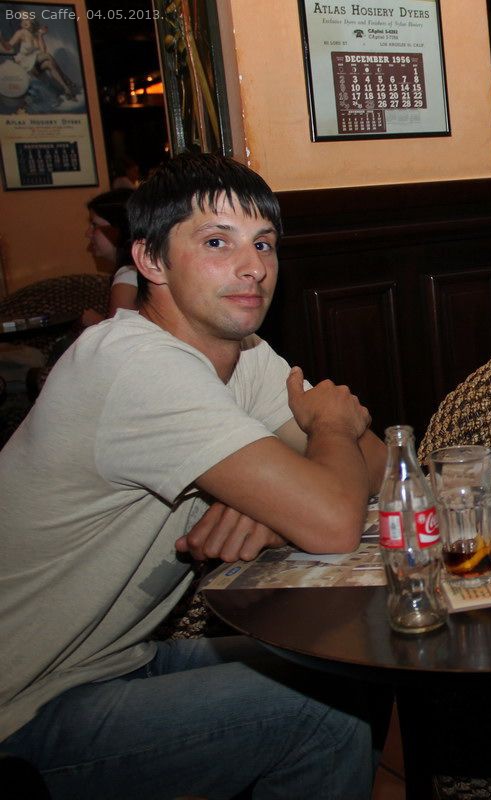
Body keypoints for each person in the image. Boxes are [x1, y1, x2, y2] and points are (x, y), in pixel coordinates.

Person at [0, 153, 388, 798]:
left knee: (356, 665)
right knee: (322, 713)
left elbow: (375, 467)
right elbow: (334, 514)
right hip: (22, 709)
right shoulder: (134, 365)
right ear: (150, 260)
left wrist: (275, 505)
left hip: (110, 664)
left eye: (263, 243)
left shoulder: (243, 353)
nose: (253, 267)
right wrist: (326, 433)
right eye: (216, 242)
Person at [80, 188, 139, 324]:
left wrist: (96, 323)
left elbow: (122, 335)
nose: (88, 233)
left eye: (95, 225)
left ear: (119, 227)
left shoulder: (127, 277)